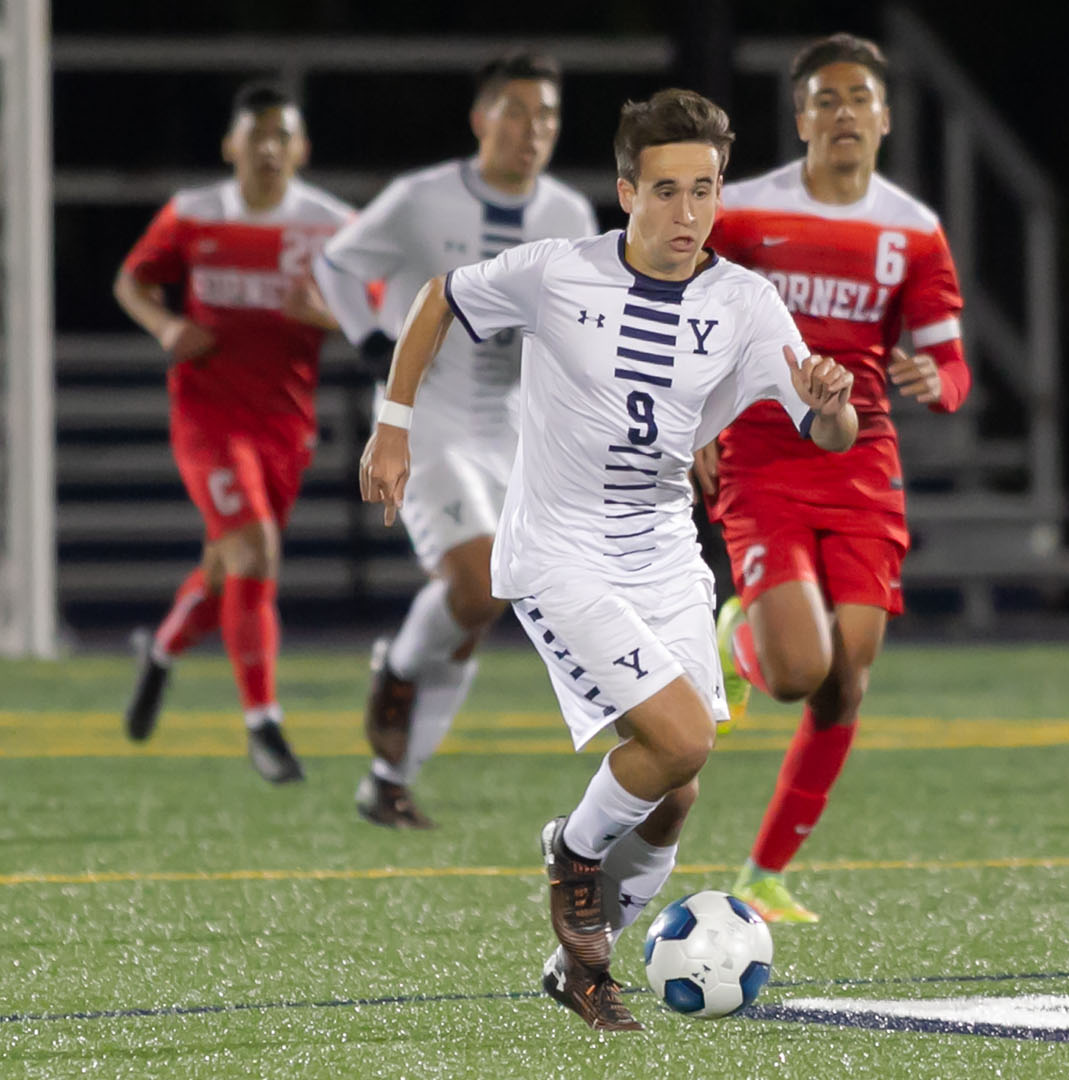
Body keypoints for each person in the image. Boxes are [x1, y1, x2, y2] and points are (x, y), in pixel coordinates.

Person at [359, 88, 856, 1031]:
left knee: (675, 792)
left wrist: (830, 401)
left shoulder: (746, 303)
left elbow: (829, 430)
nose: (687, 212)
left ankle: (572, 965)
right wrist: (395, 427)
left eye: (703, 190)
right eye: (665, 190)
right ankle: (572, 854)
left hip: (664, 552)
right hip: (559, 551)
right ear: (626, 191)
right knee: (680, 741)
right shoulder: (558, 272)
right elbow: (438, 301)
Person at [695, 33, 970, 923]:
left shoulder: (913, 231)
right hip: (764, 456)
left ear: (885, 117)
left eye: (859, 97)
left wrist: (940, 383)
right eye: (825, 98)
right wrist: (692, 417)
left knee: (846, 676)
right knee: (793, 674)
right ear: (801, 115)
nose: (843, 112)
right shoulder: (739, 215)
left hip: (862, 461)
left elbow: (951, 365)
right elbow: (685, 320)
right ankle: (738, 637)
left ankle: (763, 876)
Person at [314, 52, 598, 828]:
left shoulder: (570, 215)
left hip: (511, 425)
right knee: (476, 586)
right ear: (481, 119)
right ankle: (400, 668)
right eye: (516, 111)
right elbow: (336, 265)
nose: (532, 129)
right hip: (428, 417)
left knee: (486, 604)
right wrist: (373, 339)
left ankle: (388, 776)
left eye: (546, 115)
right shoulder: (420, 199)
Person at [115, 82, 352, 782]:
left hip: (285, 424)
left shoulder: (332, 224)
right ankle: (264, 726)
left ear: (301, 148)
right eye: (258, 137)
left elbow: (380, 311)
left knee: (232, 569)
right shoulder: (191, 214)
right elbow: (132, 280)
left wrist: (330, 318)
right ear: (232, 146)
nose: (270, 149)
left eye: (284, 137)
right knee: (254, 552)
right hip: (208, 419)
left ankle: (159, 652)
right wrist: (165, 325)